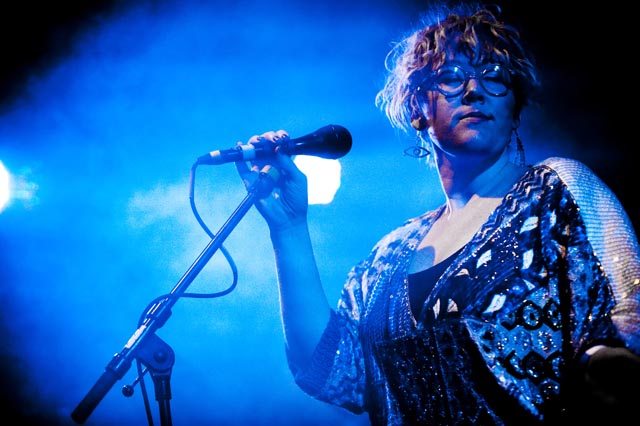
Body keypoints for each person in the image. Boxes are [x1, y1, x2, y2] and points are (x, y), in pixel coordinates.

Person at [234, 2, 640, 424]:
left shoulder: (555, 191)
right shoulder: (387, 257)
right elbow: (328, 371)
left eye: (494, 77)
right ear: (417, 108)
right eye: (451, 77)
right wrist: (289, 228)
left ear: (515, 108)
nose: (474, 90)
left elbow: (628, 317)